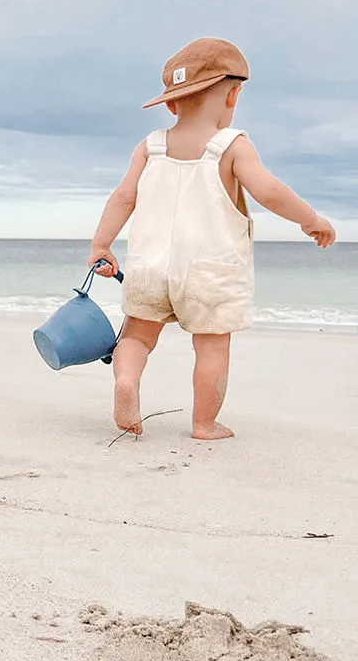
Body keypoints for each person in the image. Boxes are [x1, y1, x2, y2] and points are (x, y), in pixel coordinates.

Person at [88, 37, 336, 441]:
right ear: (233, 95)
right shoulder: (231, 146)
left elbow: (123, 197)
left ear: (171, 104)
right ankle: (204, 424)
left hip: (149, 266)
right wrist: (311, 220)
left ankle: (127, 381)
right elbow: (269, 191)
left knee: (136, 335)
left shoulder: (150, 148)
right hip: (210, 273)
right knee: (212, 348)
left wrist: (101, 245)